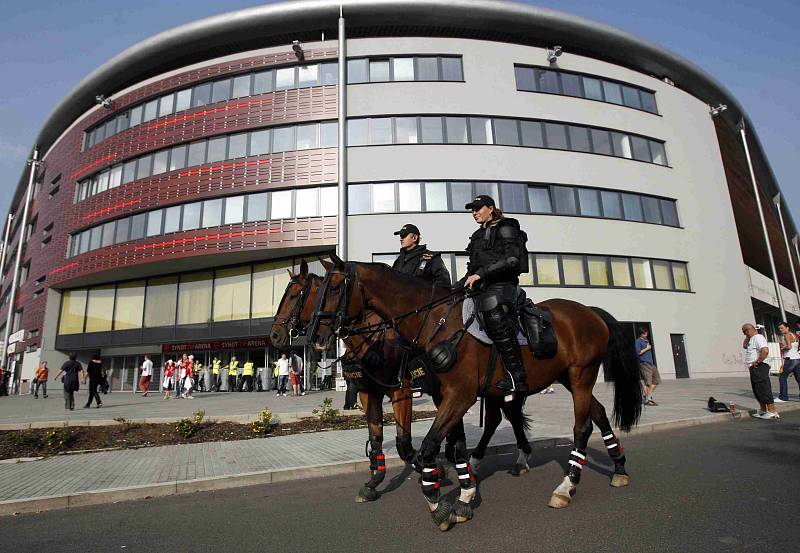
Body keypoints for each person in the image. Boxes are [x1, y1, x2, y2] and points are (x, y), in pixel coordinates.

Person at [462, 195, 528, 394]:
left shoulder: (506, 226)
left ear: (491, 208)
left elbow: (512, 260)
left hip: (503, 285)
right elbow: (472, 269)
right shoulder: (476, 235)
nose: (474, 212)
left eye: (478, 208)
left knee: (493, 312)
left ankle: (517, 376)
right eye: (472, 209)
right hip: (483, 286)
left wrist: (480, 274)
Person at [742, 323, 779, 419]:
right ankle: (763, 410)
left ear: (749, 330)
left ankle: (772, 411)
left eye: (744, 332)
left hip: (760, 366)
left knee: (763, 388)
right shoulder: (752, 339)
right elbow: (745, 346)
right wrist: (748, 336)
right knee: (757, 389)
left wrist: (758, 361)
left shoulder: (758, 337)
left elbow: (765, 351)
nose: (744, 334)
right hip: (754, 367)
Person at [636, 328, 660, 406]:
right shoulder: (638, 341)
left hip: (651, 363)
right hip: (644, 363)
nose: (646, 335)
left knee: (656, 380)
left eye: (647, 333)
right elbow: (638, 352)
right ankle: (648, 399)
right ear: (641, 334)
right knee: (648, 382)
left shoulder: (647, 341)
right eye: (645, 334)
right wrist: (647, 348)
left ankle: (648, 396)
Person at [777, 322, 800, 402]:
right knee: (799, 378)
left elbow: (789, 347)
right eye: (779, 328)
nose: (780, 330)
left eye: (782, 328)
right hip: (797, 359)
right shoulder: (794, 335)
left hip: (790, 359)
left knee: (782, 378)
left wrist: (783, 348)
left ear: (787, 327)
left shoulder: (786, 335)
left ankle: (783, 397)